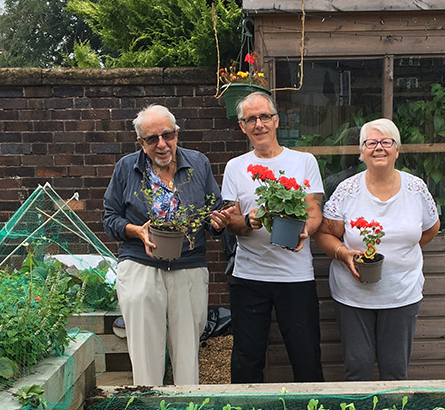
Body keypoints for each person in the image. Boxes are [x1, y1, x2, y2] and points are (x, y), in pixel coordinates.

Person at [103, 104, 233, 386]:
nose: (162, 144)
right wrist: (136, 231)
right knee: (145, 353)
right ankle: (149, 409)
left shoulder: (198, 163)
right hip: (140, 265)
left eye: (168, 135)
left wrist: (218, 222)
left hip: (188, 266)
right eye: (152, 139)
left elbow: (213, 211)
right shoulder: (126, 167)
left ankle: (188, 409)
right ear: (141, 142)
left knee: (187, 353)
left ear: (176, 133)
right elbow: (110, 218)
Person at [314, 118, 440, 381]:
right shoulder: (347, 190)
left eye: (386, 142)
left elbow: (431, 228)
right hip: (353, 297)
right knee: (357, 368)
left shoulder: (415, 188)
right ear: (362, 152)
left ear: (397, 150)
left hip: (401, 294)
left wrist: (403, 251)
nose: (379, 147)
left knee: (395, 371)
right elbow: (325, 233)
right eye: (370, 143)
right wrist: (343, 253)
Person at [221, 91, 325, 383]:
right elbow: (230, 222)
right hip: (249, 276)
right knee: (246, 358)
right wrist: (248, 221)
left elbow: (314, 210)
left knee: (306, 356)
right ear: (242, 126)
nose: (259, 124)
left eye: (264, 117)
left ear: (276, 120)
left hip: (295, 276)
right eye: (250, 119)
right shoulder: (235, 167)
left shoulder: (304, 162)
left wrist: (306, 229)